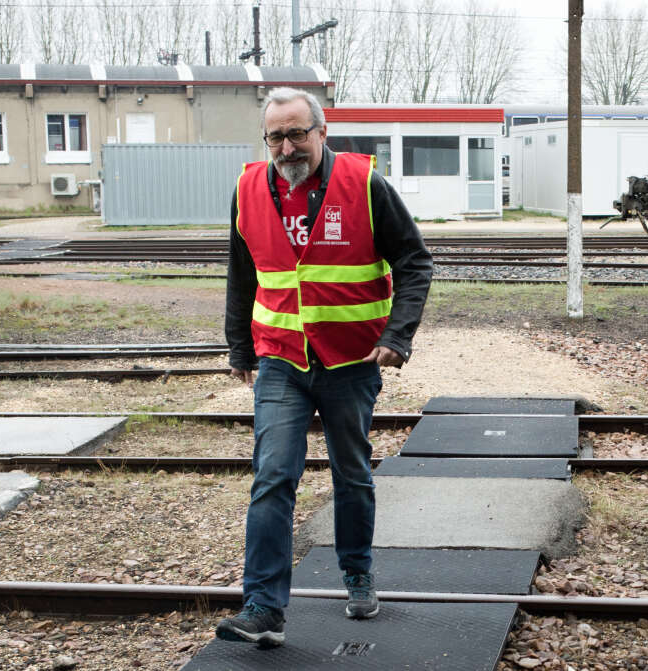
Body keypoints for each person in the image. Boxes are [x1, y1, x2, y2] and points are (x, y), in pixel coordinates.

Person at [216, 87, 432, 648]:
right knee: (272, 477)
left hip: (352, 361)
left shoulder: (364, 184)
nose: (287, 146)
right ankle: (264, 607)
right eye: (276, 136)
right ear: (266, 139)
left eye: (297, 134)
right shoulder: (246, 189)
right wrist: (239, 348)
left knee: (352, 473)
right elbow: (243, 275)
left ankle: (357, 573)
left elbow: (414, 261)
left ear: (321, 132)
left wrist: (397, 336)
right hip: (281, 360)